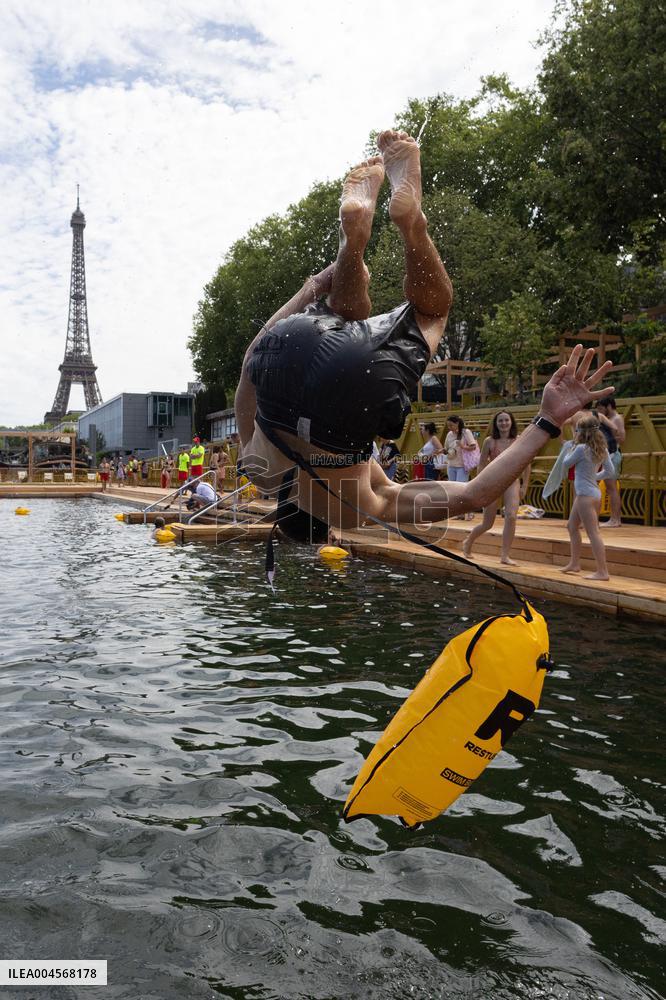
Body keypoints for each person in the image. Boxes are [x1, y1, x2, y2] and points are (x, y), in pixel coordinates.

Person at [234, 129, 614, 539]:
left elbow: (473, 495)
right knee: (346, 314)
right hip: (283, 355)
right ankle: (350, 248)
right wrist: (312, 288)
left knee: (432, 310)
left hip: (348, 389)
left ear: (324, 531)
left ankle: (412, 222)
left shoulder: (353, 512)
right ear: (279, 510)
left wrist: (549, 418)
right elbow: (246, 374)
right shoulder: (261, 476)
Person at [462, 411, 530, 565]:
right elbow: (481, 463)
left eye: (506, 420)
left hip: (512, 482)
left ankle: (505, 555)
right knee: (488, 523)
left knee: (511, 516)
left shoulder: (519, 440)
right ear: (496, 423)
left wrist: (525, 484)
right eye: (500, 421)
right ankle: (469, 541)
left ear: (511, 422)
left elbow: (527, 464)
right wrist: (480, 483)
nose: (504, 423)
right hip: (492, 482)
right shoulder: (489, 441)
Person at [560, 414, 616, 580]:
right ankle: (575, 563)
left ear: (581, 432)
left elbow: (565, 463)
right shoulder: (602, 449)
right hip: (593, 492)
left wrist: (569, 446)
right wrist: (594, 478)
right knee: (571, 526)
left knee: (593, 533)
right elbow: (610, 472)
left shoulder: (579, 449)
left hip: (585, 495)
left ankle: (602, 571)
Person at [595, 396, 625, 527]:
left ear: (608, 406)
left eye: (601, 408)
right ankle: (613, 518)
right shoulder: (607, 419)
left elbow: (622, 437)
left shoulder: (617, 418)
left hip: (614, 454)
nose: (600, 411)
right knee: (609, 487)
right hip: (608, 454)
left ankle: (615, 519)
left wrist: (607, 439)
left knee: (612, 488)